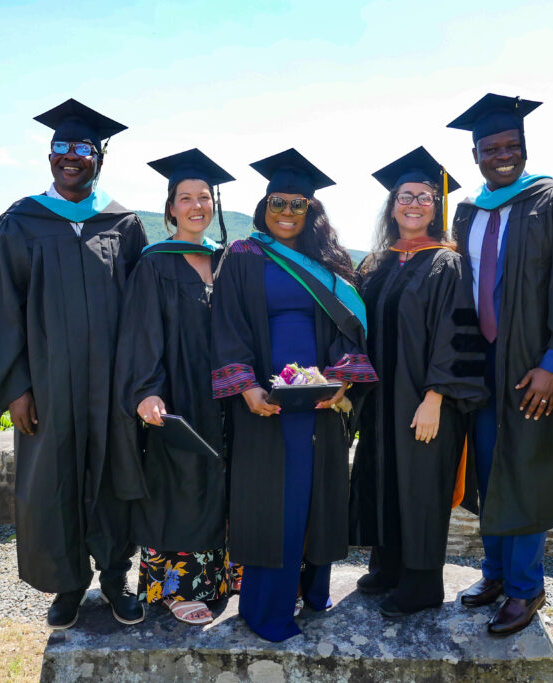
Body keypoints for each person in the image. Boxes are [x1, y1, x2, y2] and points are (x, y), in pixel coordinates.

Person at [0, 98, 148, 631]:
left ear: (98, 157)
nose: (71, 157)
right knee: (54, 482)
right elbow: (1, 312)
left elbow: (142, 312)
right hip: (46, 388)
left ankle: (115, 576)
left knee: (115, 477)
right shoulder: (21, 222)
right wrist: (17, 388)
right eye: (61, 147)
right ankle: (68, 584)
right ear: (50, 156)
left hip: (112, 387)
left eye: (82, 148)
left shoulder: (125, 224)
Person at [211, 148, 378, 641]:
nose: (286, 212)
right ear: (264, 205)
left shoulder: (329, 262)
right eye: (277, 202)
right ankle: (268, 610)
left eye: (298, 204)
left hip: (320, 402)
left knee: (315, 495)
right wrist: (246, 389)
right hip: (266, 405)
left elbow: (351, 329)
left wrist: (343, 380)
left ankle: (313, 591)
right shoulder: (244, 255)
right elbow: (227, 323)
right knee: (273, 503)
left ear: (312, 210)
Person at [446, 94, 553, 635]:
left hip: (533, 365)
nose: (502, 155)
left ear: (524, 148)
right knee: (490, 471)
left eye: (511, 146)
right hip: (480, 363)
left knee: (527, 469)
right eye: (492, 148)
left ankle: (525, 588)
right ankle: (492, 574)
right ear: (476, 154)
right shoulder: (468, 212)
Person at [349, 147, 488, 618]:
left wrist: (435, 398)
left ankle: (423, 582)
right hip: (382, 401)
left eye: (424, 197)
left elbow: (456, 335)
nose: (414, 204)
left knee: (422, 485)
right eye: (404, 196)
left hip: (427, 401)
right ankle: (388, 565)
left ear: (437, 206)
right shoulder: (378, 264)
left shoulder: (446, 264)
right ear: (391, 206)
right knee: (387, 477)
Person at [110, 148, 234, 625]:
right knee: (178, 488)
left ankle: (217, 580)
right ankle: (174, 587)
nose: (197, 205)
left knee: (217, 488)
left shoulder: (226, 261)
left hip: (224, 397)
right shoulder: (155, 264)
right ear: (170, 209)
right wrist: (146, 390)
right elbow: (140, 333)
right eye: (186, 198)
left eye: (204, 197)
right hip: (177, 397)